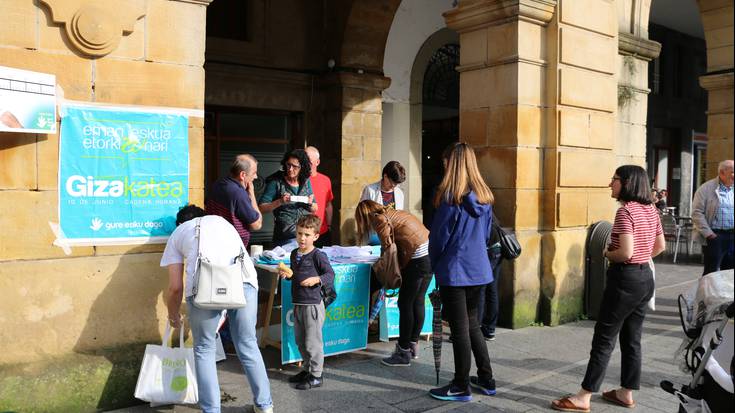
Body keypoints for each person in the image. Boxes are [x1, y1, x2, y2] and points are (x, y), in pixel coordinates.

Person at [551, 165, 665, 412]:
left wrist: (606, 252)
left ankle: (583, 396)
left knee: (604, 339)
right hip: (645, 278)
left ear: (627, 183)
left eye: (614, 179)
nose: (610, 184)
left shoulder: (626, 212)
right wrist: (643, 256)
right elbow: (660, 246)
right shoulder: (650, 209)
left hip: (625, 280)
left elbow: (625, 252)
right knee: (632, 339)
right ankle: (626, 392)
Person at [161, 205, 273, 413]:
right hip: (244, 284)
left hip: (204, 290)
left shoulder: (178, 233)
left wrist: (173, 314)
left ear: (180, 223)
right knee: (248, 344)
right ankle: (265, 406)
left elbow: (175, 288)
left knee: (204, 349)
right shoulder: (223, 223)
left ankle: (211, 410)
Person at [428, 142, 496, 402]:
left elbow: (438, 240)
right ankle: (487, 379)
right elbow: (488, 234)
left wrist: (434, 265)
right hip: (479, 269)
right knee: (472, 325)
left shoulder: (450, 198)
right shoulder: (485, 198)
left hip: (455, 271)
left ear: (452, 164)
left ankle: (460, 384)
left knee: (459, 330)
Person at [355, 199, 431, 366]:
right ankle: (412, 345)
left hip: (416, 260)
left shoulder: (379, 219)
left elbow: (388, 250)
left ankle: (403, 353)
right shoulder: (392, 212)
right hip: (428, 256)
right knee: (417, 302)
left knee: (405, 304)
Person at [277, 215, 335, 390]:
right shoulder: (294, 254)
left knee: (313, 342)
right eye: (300, 233)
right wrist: (287, 276)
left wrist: (316, 279)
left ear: (315, 236)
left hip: (313, 305)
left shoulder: (319, 255)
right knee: (300, 340)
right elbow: (295, 277)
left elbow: (330, 275)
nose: (302, 238)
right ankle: (308, 369)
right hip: (298, 303)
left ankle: (317, 375)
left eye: (307, 235)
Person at [258, 149, 318, 248]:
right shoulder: (276, 182)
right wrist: (280, 201)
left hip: (306, 237)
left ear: (302, 167)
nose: (290, 169)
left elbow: (315, 208)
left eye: (295, 166)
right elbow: (261, 208)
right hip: (284, 238)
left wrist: (309, 203)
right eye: (288, 165)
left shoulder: (305, 181)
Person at [206, 154, 262, 249]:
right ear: (242, 175)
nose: (256, 177)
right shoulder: (238, 193)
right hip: (232, 249)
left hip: (214, 242)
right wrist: (251, 194)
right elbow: (257, 224)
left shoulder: (218, 184)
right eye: (254, 173)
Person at [692, 159, 734, 276]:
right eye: (733, 172)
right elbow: (696, 213)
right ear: (722, 173)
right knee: (711, 272)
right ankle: (707, 294)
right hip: (715, 237)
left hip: (733, 236)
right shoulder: (706, 189)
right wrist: (709, 234)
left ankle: (727, 295)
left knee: (730, 273)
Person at [477, 216, 503, 341]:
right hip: (496, 249)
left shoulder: (475, 208)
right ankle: (490, 329)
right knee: (492, 290)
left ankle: (475, 328)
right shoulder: (488, 210)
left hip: (487, 251)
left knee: (480, 290)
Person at [306, 146, 334, 247]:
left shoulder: (325, 180)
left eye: (309, 161)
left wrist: (329, 225)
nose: (305, 163)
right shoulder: (298, 180)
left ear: (317, 162)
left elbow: (328, 205)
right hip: (304, 233)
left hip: (322, 232)